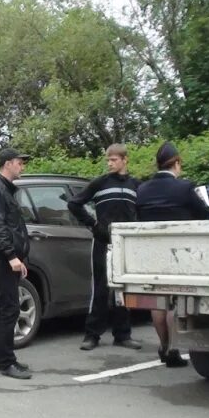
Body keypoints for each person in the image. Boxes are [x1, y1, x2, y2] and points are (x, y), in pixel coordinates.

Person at [136, 142, 209, 367]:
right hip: (180, 252)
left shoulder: (142, 189)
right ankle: (173, 349)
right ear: (176, 163)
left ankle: (163, 346)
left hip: (152, 252)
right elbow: (205, 214)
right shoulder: (185, 187)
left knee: (159, 302)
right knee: (175, 301)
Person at [68, 143, 141, 352]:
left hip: (126, 243)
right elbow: (74, 203)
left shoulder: (135, 185)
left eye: (114, 160)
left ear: (125, 160)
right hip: (103, 242)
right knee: (100, 287)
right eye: (108, 160)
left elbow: (141, 211)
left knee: (123, 288)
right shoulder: (100, 183)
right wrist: (93, 225)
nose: (110, 163)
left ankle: (123, 334)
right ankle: (92, 334)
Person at [0, 148, 33, 380]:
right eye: (20, 163)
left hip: (8, 257)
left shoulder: (6, 190)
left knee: (6, 306)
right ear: (8, 164)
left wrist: (19, 258)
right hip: (1, 258)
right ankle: (5, 362)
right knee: (9, 307)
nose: (22, 167)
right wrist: (11, 256)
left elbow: (11, 227)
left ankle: (2, 358)